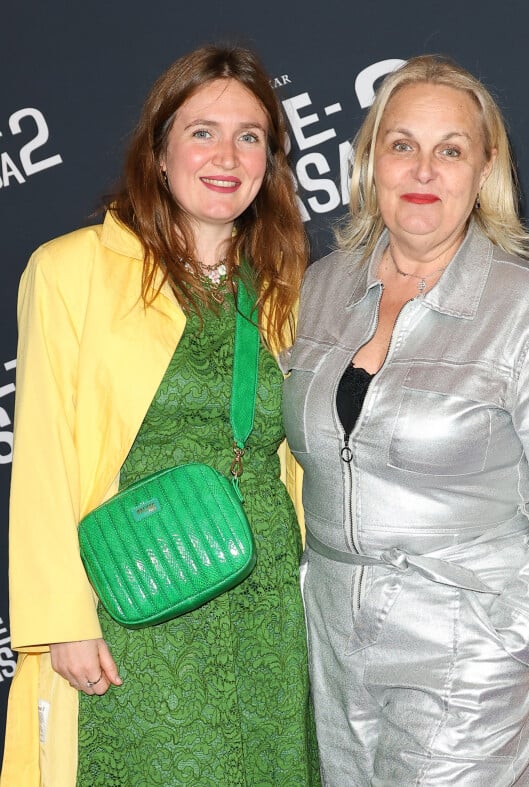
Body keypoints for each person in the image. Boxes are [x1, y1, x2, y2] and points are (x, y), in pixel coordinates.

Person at [1, 45, 320, 787]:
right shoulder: (70, 269)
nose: (227, 155)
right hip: (135, 601)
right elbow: (44, 456)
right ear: (160, 148)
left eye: (250, 136)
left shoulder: (286, 285)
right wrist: (62, 624)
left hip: (266, 599)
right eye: (202, 130)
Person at [282, 54, 529, 785]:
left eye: (450, 150)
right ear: (370, 162)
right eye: (402, 144)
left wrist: (514, 635)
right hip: (330, 647)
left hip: (466, 649)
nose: (424, 170)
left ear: (484, 172)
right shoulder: (320, 288)